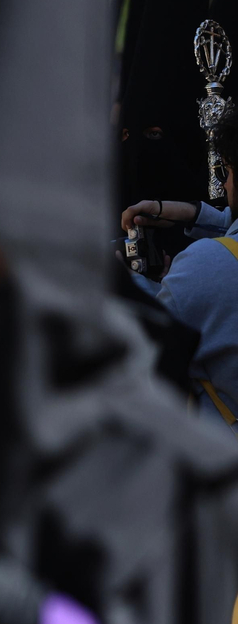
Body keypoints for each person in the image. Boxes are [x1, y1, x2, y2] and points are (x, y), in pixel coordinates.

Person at [121, 100, 238, 431]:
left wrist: (132, 285)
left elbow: (147, 349)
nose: (225, 184)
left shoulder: (203, 267)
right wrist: (196, 213)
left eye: (227, 171)